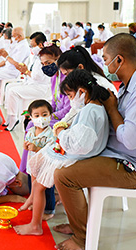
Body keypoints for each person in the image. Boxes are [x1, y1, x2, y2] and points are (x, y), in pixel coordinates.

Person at [52, 33, 136, 250]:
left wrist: (111, 109)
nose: (104, 64)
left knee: (64, 176)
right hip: (120, 153)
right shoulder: (130, 84)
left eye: (106, 59)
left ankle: (82, 236)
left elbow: (131, 140)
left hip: (134, 166)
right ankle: (78, 221)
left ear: (119, 60)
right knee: (68, 160)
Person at [15, 69, 111, 236]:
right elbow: (73, 122)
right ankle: (33, 201)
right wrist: (63, 128)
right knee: (38, 164)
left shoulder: (89, 111)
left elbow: (80, 144)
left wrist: (61, 133)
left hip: (79, 156)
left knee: (38, 183)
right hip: (77, 151)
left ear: (82, 92)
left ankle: (35, 225)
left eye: (70, 96)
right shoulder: (92, 105)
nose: (70, 100)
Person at [18, 45, 70, 173]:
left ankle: (31, 167)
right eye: (43, 64)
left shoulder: (67, 79)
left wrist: (48, 116)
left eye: (48, 63)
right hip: (56, 114)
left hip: (65, 118)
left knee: (32, 125)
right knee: (31, 121)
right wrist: (40, 113)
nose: (45, 66)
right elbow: (54, 102)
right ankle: (28, 165)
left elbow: (68, 108)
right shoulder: (54, 77)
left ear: (59, 60)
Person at [17, 100, 57, 220]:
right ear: (31, 118)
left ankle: (49, 210)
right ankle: (35, 202)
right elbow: (27, 147)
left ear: (50, 115)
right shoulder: (31, 131)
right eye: (37, 115)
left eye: (44, 115)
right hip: (32, 166)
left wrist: (37, 148)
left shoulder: (51, 134)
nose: (41, 118)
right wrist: (26, 146)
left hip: (45, 168)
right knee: (32, 185)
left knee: (46, 190)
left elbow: (51, 151)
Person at [2, 32, 50, 130]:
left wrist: (26, 71)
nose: (31, 48)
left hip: (39, 88)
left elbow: (37, 77)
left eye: (32, 46)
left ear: (40, 45)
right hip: (31, 83)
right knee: (9, 87)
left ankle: (14, 118)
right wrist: (25, 70)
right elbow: (31, 72)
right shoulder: (36, 56)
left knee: (12, 91)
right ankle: (10, 116)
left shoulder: (44, 58)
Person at [0, 27, 31, 100]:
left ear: (19, 36)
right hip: (8, 68)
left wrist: (6, 56)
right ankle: (0, 93)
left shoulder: (23, 46)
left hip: (14, 71)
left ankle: (1, 94)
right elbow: (7, 59)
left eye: (13, 36)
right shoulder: (17, 43)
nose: (11, 38)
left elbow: (16, 63)